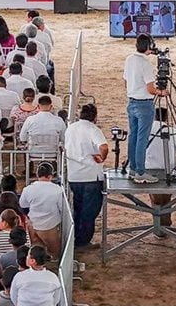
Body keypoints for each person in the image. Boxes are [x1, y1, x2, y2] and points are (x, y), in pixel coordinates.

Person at [64, 103, 108, 248]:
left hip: (74, 175)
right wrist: (102, 157)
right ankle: (83, 241)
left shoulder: (71, 128)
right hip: (91, 176)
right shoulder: (93, 129)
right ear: (94, 117)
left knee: (78, 207)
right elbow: (104, 147)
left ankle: (76, 237)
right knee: (90, 211)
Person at [123, 34, 161, 184]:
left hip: (132, 102)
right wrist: (161, 92)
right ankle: (140, 171)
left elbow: (125, 80)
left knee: (133, 136)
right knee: (141, 139)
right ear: (148, 47)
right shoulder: (145, 64)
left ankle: (133, 168)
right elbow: (151, 89)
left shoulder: (129, 59)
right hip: (144, 103)